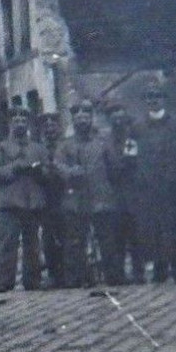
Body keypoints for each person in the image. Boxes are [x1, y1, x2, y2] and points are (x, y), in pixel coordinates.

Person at [55, 99, 123, 287]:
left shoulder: (102, 143)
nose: (83, 121)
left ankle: (114, 277)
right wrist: (71, 172)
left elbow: (115, 168)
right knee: (75, 243)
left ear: (91, 119)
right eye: (79, 118)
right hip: (75, 200)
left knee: (107, 241)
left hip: (101, 198)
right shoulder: (65, 145)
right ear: (73, 121)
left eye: (86, 117)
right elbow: (58, 166)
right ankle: (76, 279)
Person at [0, 106, 47, 293]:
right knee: (7, 243)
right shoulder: (0, 148)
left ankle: (32, 281)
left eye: (23, 121)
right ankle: (4, 282)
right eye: (16, 121)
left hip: (32, 203)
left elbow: (47, 171)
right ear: (10, 124)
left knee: (32, 244)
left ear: (28, 124)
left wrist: (40, 171)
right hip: (10, 204)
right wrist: (14, 167)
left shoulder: (38, 148)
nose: (20, 124)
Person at [133, 82, 176, 282]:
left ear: (164, 98)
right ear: (145, 101)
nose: (153, 100)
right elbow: (131, 155)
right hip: (149, 186)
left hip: (172, 185)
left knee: (175, 227)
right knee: (154, 228)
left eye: (156, 95)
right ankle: (160, 269)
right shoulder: (137, 127)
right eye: (149, 96)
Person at [105, 101, 145, 284]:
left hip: (132, 194)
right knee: (116, 238)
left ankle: (139, 273)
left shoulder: (131, 139)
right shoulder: (105, 142)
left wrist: (121, 166)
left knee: (135, 237)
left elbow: (132, 163)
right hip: (113, 195)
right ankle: (118, 274)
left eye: (121, 118)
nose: (118, 122)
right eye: (114, 118)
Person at [36, 111, 67, 289]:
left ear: (58, 128)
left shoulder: (65, 147)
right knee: (49, 236)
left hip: (65, 195)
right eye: (46, 127)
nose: (49, 130)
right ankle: (54, 273)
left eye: (52, 126)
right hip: (46, 197)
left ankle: (68, 272)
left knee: (67, 234)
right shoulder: (39, 149)